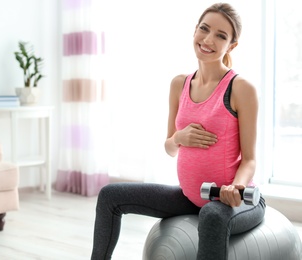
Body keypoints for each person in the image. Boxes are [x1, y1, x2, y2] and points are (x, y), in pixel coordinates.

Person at [90, 3, 266, 260]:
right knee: (110, 196)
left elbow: (249, 158)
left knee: (212, 214)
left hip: (236, 201)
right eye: (204, 29)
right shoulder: (179, 84)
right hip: (190, 197)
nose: (208, 39)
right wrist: (179, 138)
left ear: (232, 45)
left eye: (220, 35)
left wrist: (235, 188)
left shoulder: (241, 88)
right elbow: (169, 148)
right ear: (194, 30)